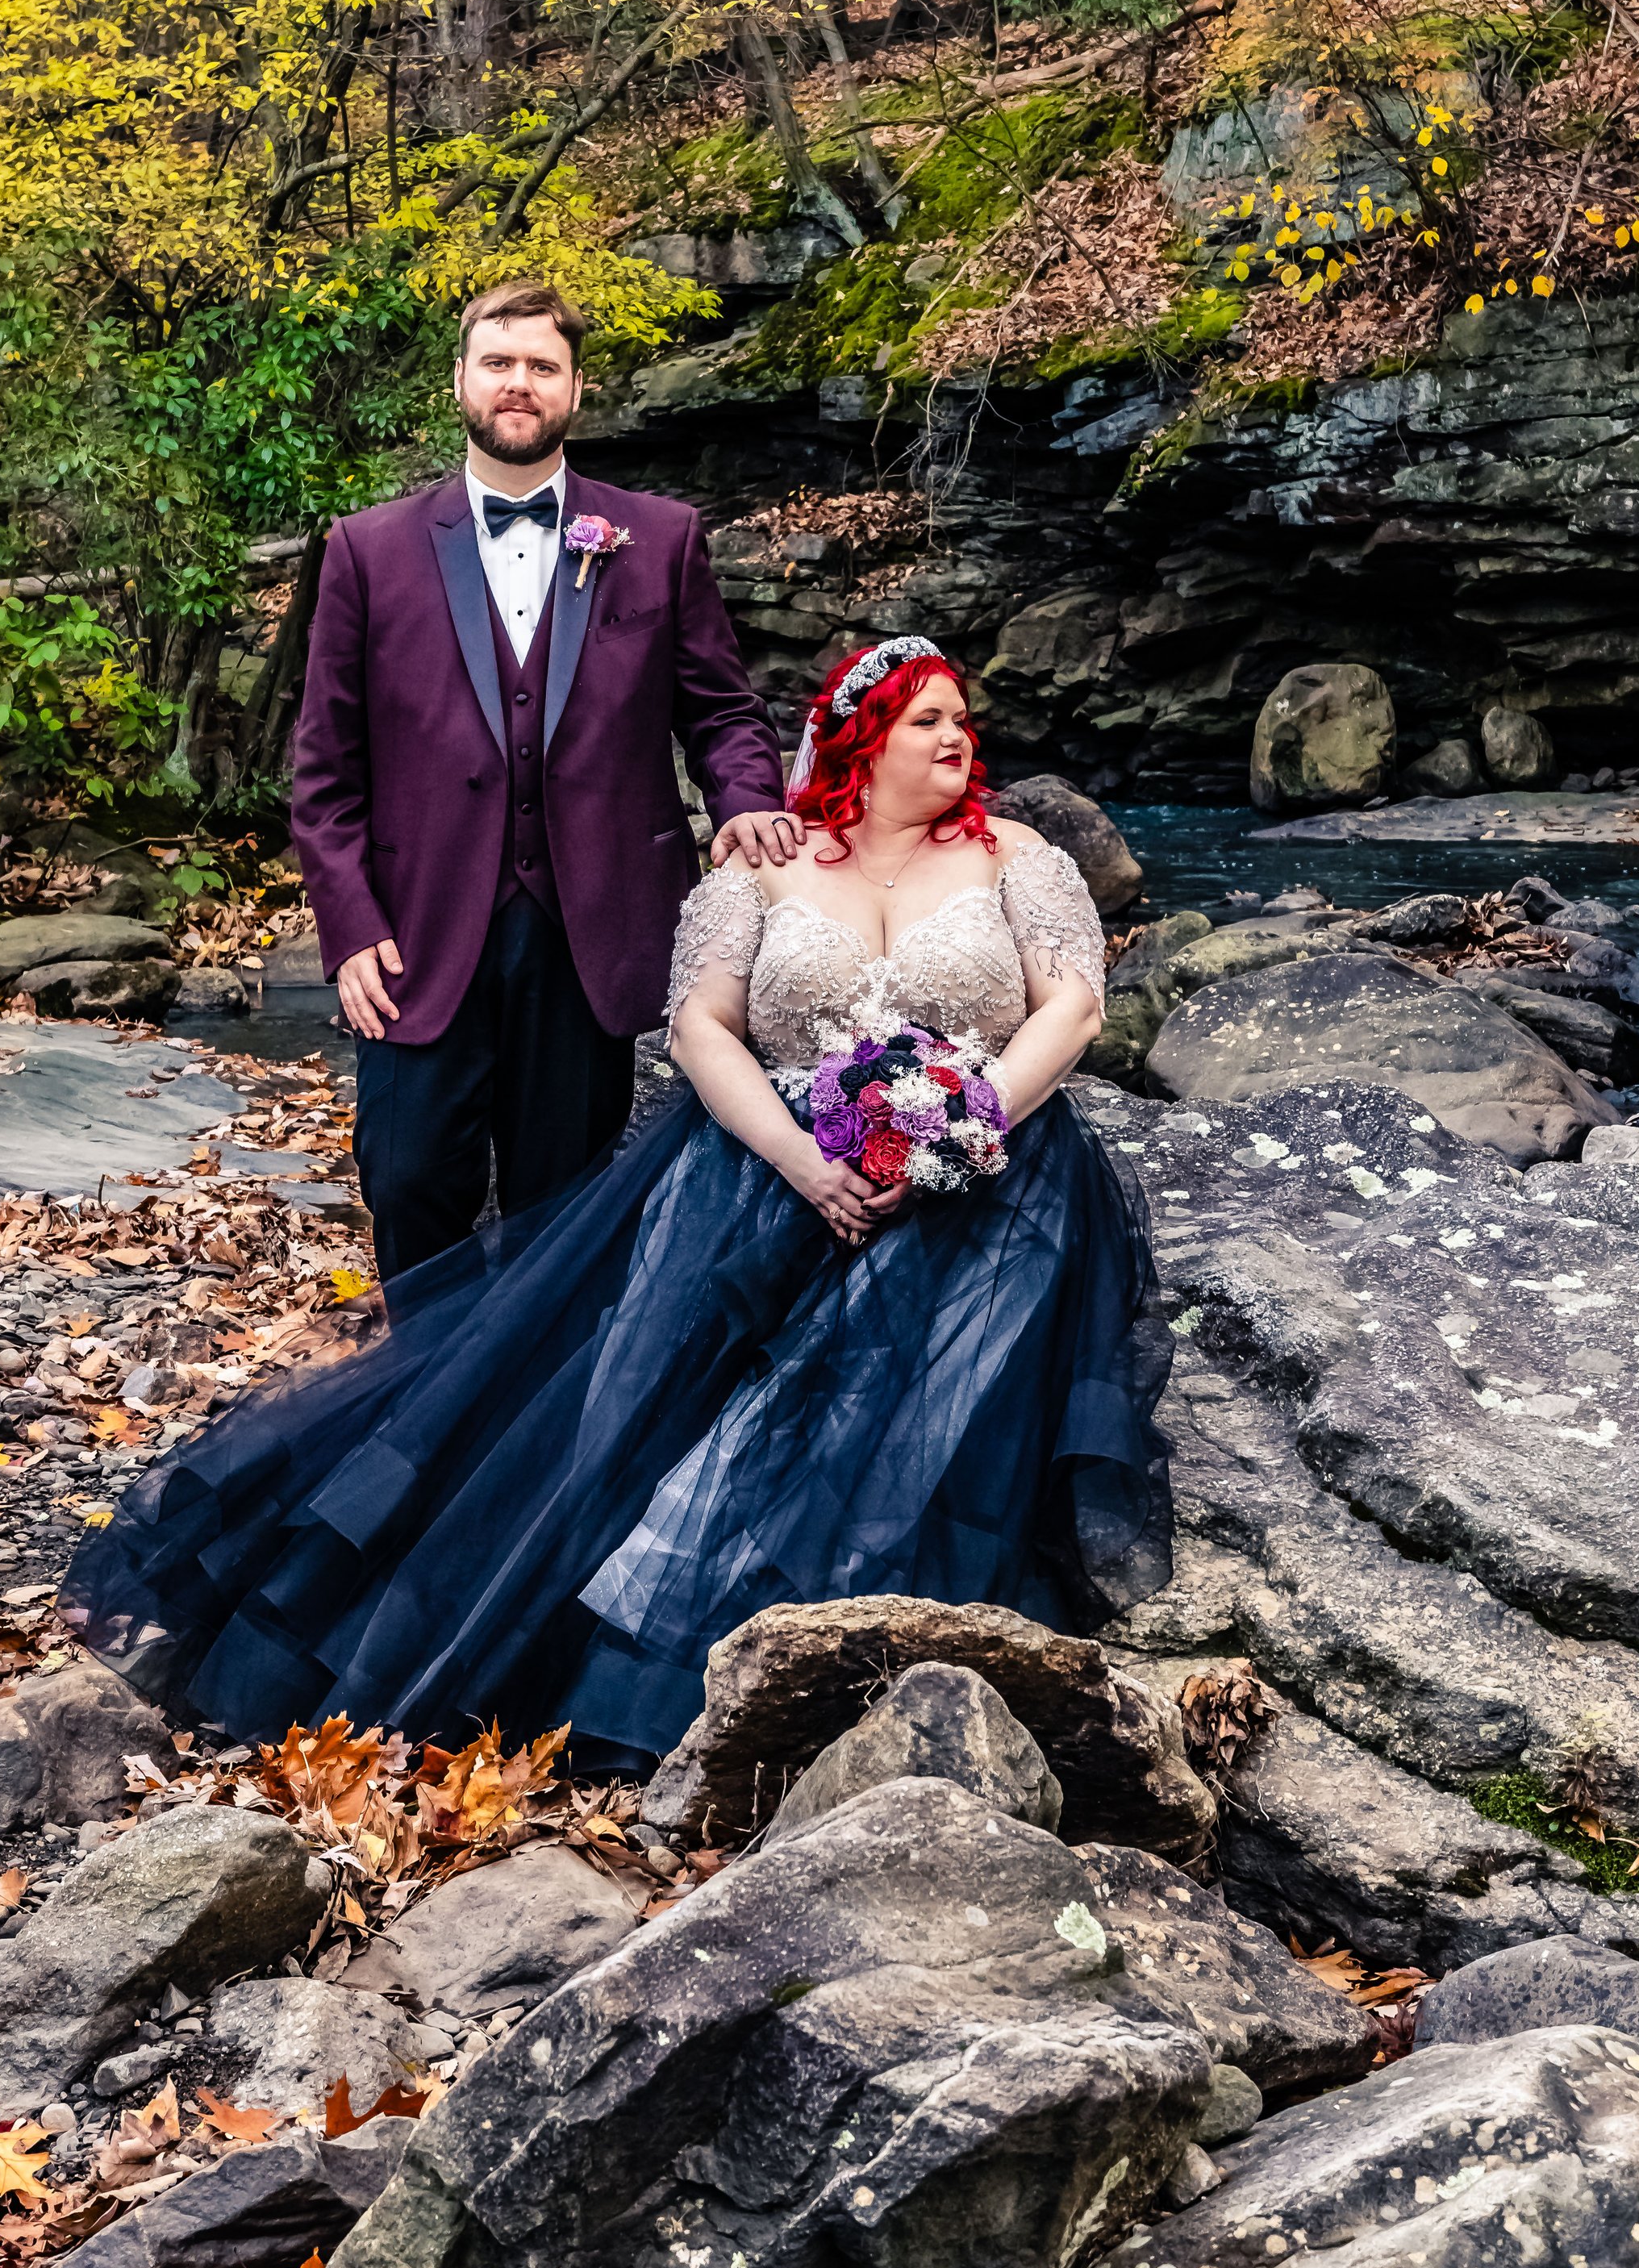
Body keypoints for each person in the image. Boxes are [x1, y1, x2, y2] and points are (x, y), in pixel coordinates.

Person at [63, 641, 1172, 1766]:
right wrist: (800, 1158)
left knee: (918, 1398)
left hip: (983, 1173)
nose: (955, 739)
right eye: (926, 720)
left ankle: (866, 1656)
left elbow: (1073, 1007)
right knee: (647, 1407)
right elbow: (699, 1027)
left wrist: (959, 1129)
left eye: (960, 720)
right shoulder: (764, 865)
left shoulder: (1014, 858)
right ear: (861, 740)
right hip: (769, 1167)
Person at [290, 278, 794, 1276]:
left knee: (564, 1206)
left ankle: (543, 1378)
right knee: (407, 1180)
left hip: (592, 924)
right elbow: (324, 768)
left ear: (576, 389)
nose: (518, 383)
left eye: (541, 366)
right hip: (416, 929)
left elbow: (722, 711)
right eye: (498, 362)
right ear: (460, 379)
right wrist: (347, 926)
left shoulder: (659, 538)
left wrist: (746, 804)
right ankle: (432, 1375)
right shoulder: (366, 549)